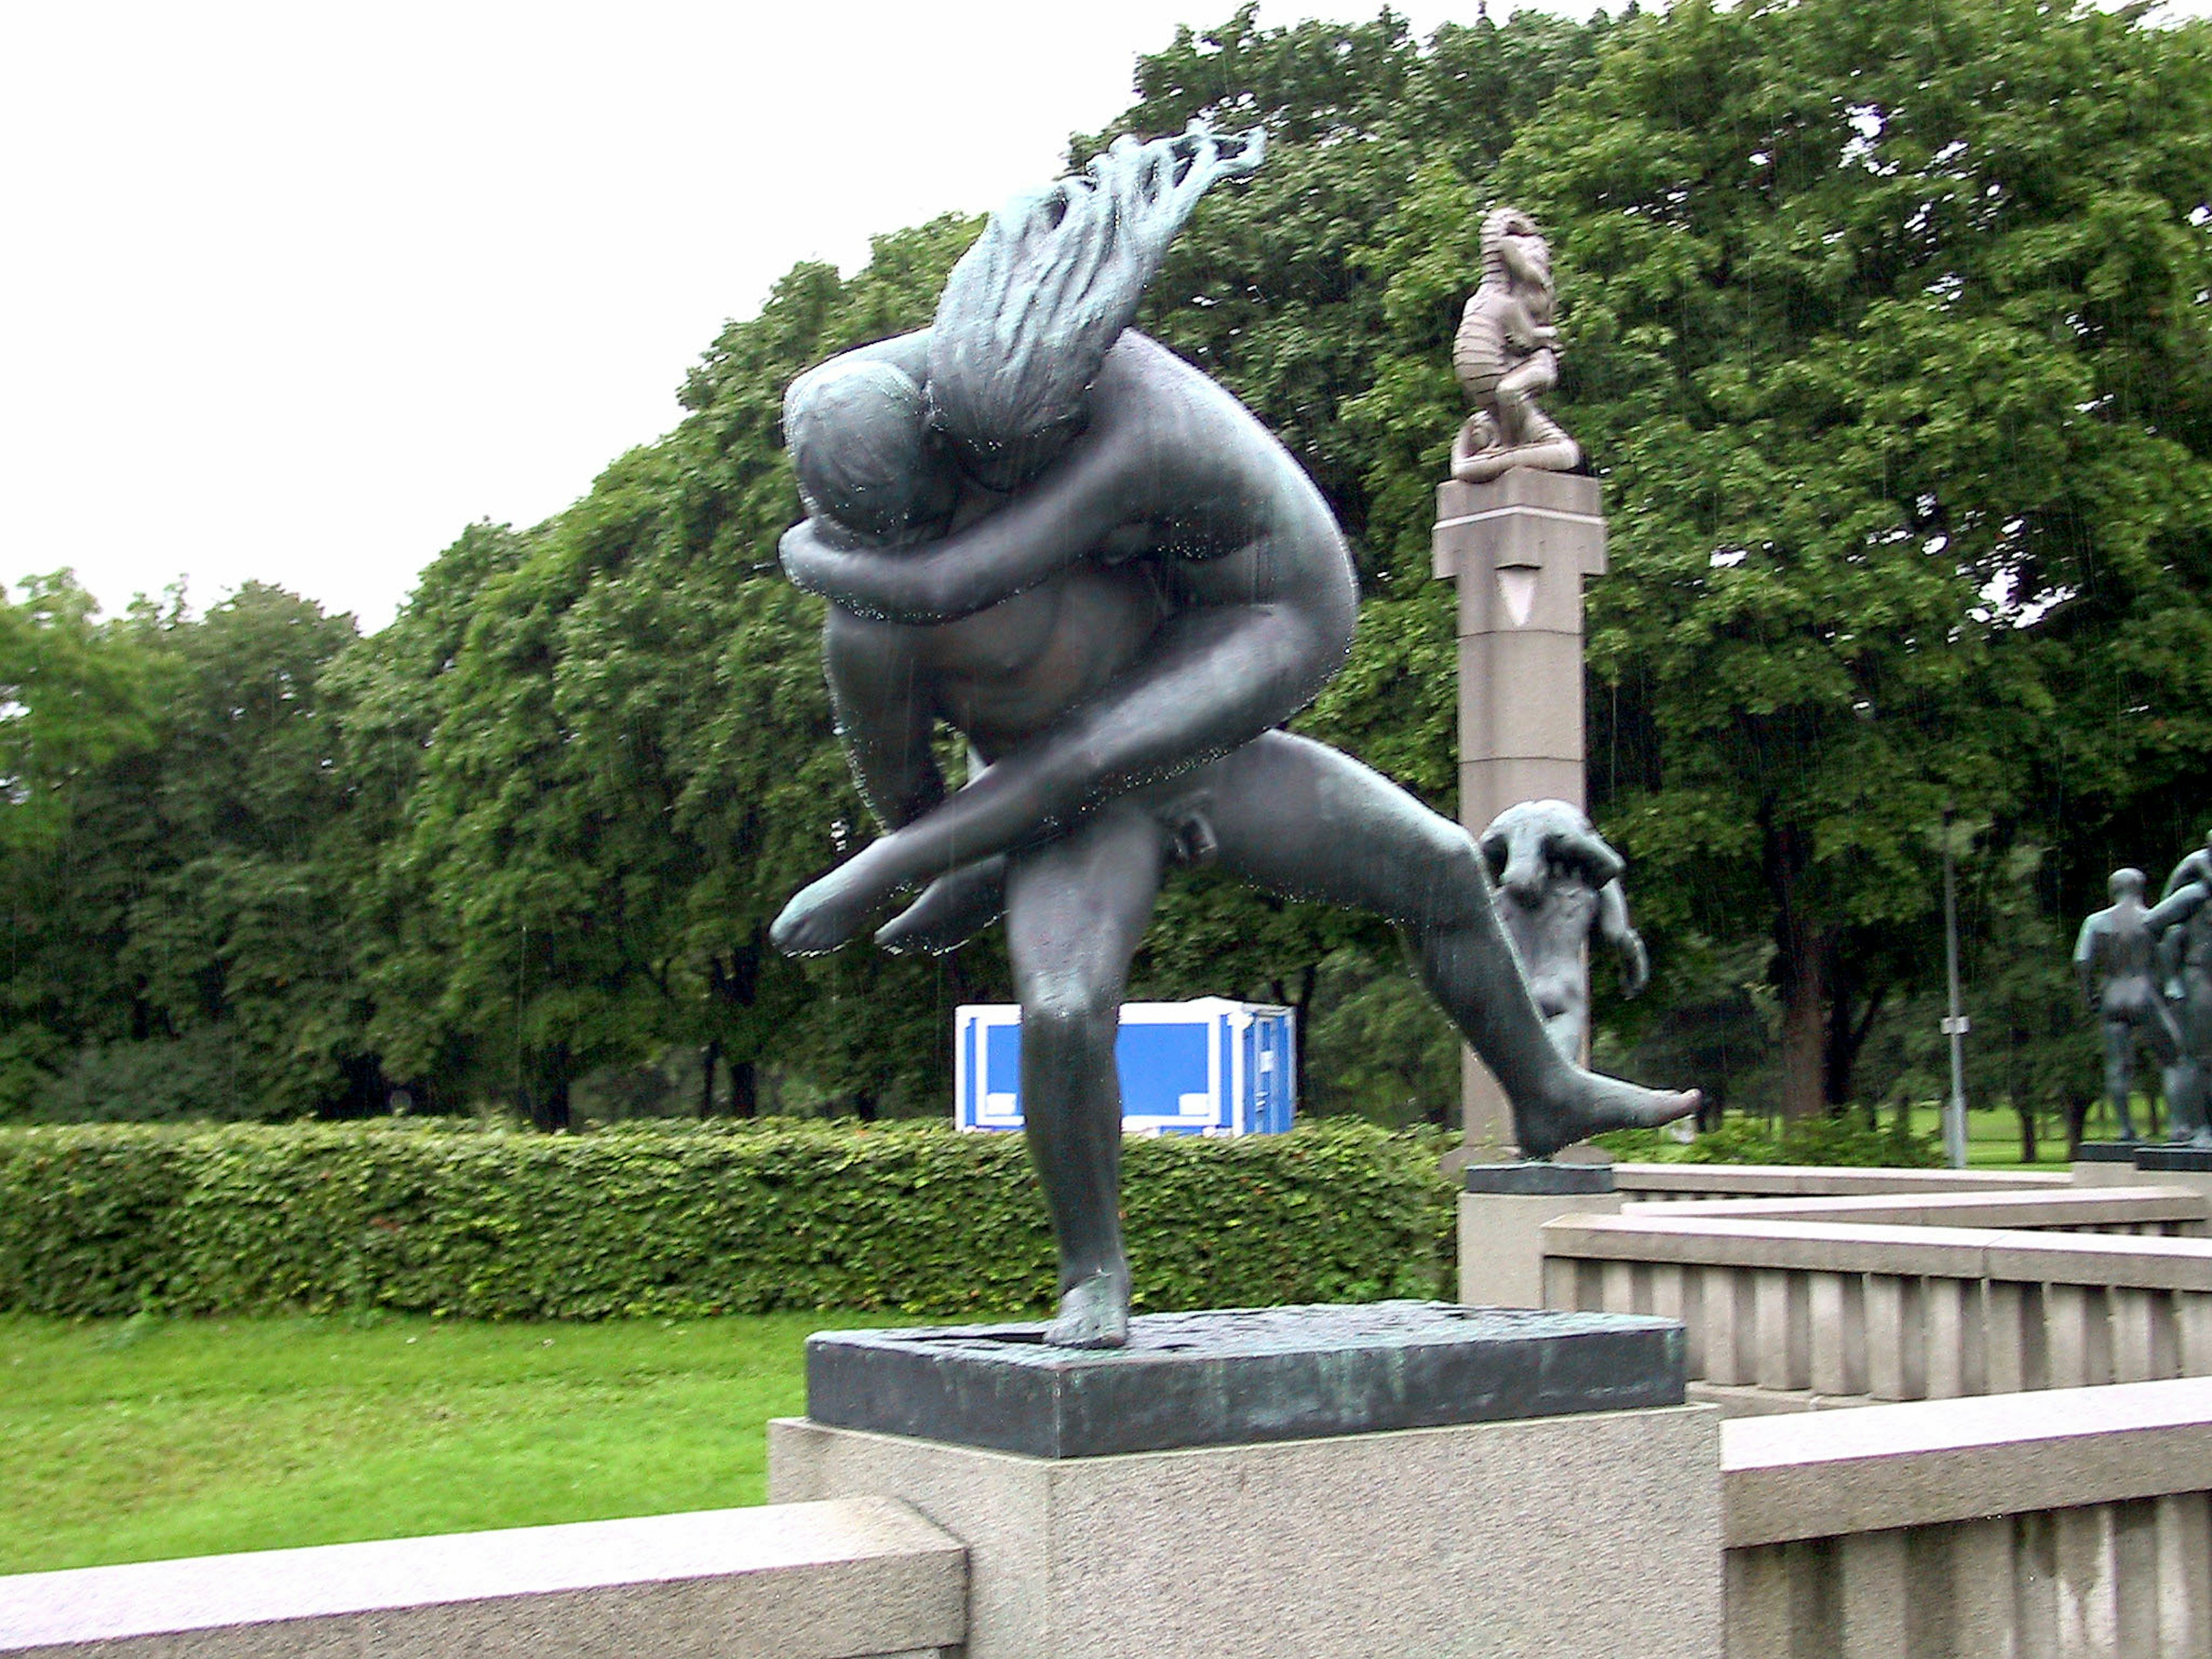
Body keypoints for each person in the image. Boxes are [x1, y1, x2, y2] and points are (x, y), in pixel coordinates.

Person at [775, 132, 1699, 1347]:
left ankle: (1544, 1089)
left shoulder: (1038, 433)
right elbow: (904, 791)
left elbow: (1083, 616)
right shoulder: (873, 633)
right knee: (1061, 1012)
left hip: (1195, 745)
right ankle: (1092, 1273)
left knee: (1434, 865)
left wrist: (908, 869)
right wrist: (961, 857)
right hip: (1062, 801)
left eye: (927, 504)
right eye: (890, 528)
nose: (927, 527)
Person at [2072, 868, 2179, 1142]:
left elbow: (2082, 960)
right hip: (2143, 993)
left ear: (2113, 890)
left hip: (2112, 995)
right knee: (2173, 1059)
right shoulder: (2152, 919)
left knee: (2117, 1066)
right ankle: (2180, 1126)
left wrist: (2088, 994)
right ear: (2140, 889)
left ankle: (2126, 1129)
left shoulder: (2096, 922)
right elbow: (2166, 959)